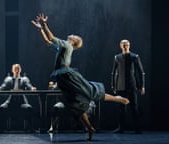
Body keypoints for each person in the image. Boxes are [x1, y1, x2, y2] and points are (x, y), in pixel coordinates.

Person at [31, 13, 129, 141]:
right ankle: (89, 127)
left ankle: (117, 99)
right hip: (62, 78)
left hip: (67, 75)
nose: (72, 34)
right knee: (76, 103)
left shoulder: (67, 45)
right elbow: (48, 41)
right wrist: (41, 29)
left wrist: (44, 24)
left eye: (74, 36)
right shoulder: (63, 47)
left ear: (74, 41)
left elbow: (52, 37)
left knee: (89, 90)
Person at [111, 39, 145, 134]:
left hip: (132, 85)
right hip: (121, 86)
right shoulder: (117, 57)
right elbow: (114, 73)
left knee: (134, 107)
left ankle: (137, 128)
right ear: (120, 46)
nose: (126, 46)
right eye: (124, 45)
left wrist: (142, 86)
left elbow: (141, 72)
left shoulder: (135, 56)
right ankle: (121, 128)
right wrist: (113, 85)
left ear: (129, 45)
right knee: (121, 108)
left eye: (127, 45)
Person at [0, 63, 36, 132]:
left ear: (20, 70)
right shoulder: (9, 79)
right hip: (10, 102)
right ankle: (1, 129)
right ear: (12, 70)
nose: (16, 70)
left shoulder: (24, 79)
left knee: (29, 108)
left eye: (18, 69)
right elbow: (3, 86)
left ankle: (30, 128)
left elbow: (29, 85)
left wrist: (32, 88)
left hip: (21, 102)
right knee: (2, 108)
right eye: (15, 69)